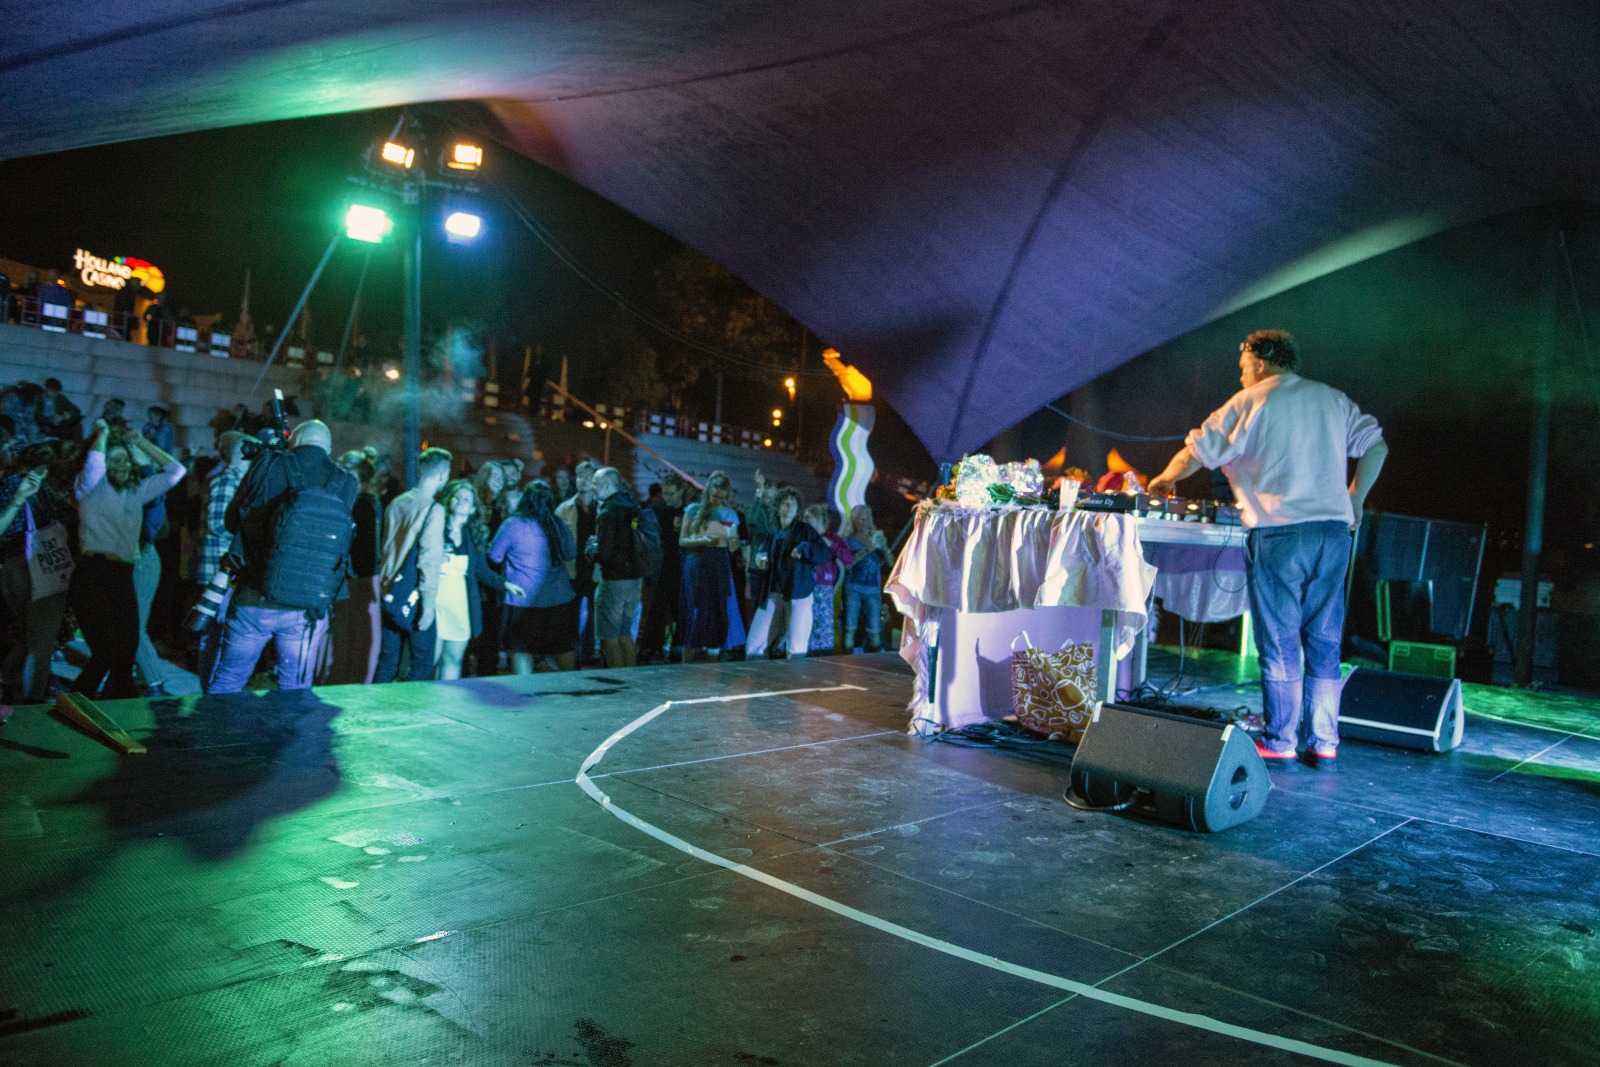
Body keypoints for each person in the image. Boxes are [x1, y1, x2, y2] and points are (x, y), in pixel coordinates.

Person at [1147, 330, 1388, 771]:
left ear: (1261, 360)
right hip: (1334, 533)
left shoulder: (1250, 401)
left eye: (1243, 367)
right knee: (1325, 640)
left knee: (1279, 642)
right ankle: (1325, 740)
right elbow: (1376, 446)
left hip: (1281, 534)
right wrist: (1354, 499)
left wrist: (1163, 480)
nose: (1241, 376)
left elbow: (1197, 450)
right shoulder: (1332, 399)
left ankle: (1280, 739)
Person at [205, 420, 357, 693]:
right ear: (329, 447)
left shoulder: (268, 464)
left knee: (229, 679)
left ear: (293, 441)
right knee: (295, 687)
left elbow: (231, 521)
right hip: (308, 608)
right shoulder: (346, 481)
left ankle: (212, 734)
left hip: (255, 596)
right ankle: (293, 736)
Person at [72, 419, 187, 698]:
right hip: (92, 573)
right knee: (106, 652)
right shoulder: (89, 487)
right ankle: (76, 702)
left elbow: (176, 471)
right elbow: (96, 461)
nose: (122, 465)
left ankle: (116, 712)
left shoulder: (136, 491)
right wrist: (103, 433)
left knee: (125, 652)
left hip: (122, 574)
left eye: (125, 460)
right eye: (115, 460)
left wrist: (141, 443)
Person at [0, 444, 76, 702]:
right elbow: (64, 514)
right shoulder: (36, 486)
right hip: (38, 565)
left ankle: (10, 682)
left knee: (25, 632)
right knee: (40, 642)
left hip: (10, 566)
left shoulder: (7, 483)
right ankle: (32, 699)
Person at [375, 447, 451, 683]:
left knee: (387, 661)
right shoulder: (434, 509)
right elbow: (427, 558)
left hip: (389, 591)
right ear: (443, 475)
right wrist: (428, 605)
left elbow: (389, 547)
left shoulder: (397, 503)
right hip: (415, 595)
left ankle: (374, 711)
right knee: (422, 662)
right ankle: (414, 714)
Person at [432, 478, 521, 680]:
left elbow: (481, 570)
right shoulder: (436, 529)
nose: (463, 501)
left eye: (467, 499)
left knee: (453, 658)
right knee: (431, 659)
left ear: (473, 509)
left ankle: (446, 702)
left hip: (459, 603)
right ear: (449, 501)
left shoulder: (473, 535)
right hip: (436, 602)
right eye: (458, 497)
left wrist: (505, 583)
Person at [490, 480, 578, 673]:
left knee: (522, 649)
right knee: (562, 647)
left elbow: (494, 555)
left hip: (522, 600)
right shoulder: (558, 524)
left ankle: (525, 691)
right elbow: (571, 553)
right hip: (558, 598)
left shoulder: (513, 524)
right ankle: (572, 687)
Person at [320, 449, 384, 685]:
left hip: (351, 577)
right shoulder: (361, 502)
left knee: (345, 640)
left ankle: (340, 684)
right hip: (357, 578)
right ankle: (349, 685)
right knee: (355, 641)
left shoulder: (352, 502)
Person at [744, 489, 832, 659]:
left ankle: (794, 683)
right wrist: (761, 562)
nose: (790, 506)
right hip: (773, 595)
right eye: (786, 503)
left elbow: (825, 554)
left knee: (796, 648)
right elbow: (764, 562)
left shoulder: (805, 530)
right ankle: (757, 682)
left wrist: (805, 549)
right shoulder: (773, 533)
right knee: (755, 645)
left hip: (798, 596)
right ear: (778, 507)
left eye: (794, 503)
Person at [195, 431, 251, 683]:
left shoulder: (233, 480)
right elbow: (217, 524)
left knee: (217, 634)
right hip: (219, 569)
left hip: (224, 568)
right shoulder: (228, 481)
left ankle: (212, 686)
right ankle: (210, 689)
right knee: (215, 635)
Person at [677, 471, 746, 660]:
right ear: (708, 491)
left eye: (722, 497)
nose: (717, 500)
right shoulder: (693, 509)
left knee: (718, 609)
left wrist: (735, 544)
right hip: (698, 561)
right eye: (714, 496)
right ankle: (689, 654)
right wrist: (702, 540)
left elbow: (732, 546)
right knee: (696, 609)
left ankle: (713, 655)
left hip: (720, 562)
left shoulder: (730, 514)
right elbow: (682, 540)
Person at [587, 467, 649, 668]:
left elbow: (604, 554)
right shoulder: (632, 505)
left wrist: (590, 550)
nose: (593, 488)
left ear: (606, 485)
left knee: (609, 637)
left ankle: (619, 681)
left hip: (614, 582)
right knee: (624, 633)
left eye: (595, 484)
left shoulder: (608, 512)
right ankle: (630, 679)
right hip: (635, 580)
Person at [639, 472, 688, 662]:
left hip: (680, 566)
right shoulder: (656, 509)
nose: (667, 497)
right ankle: (652, 647)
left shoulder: (687, 512)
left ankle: (677, 646)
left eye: (671, 493)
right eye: (665, 493)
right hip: (660, 567)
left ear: (681, 491)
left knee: (679, 608)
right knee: (655, 608)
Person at [556, 459, 599, 663]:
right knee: (570, 612)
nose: (584, 481)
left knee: (593, 613)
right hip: (572, 567)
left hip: (595, 568)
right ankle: (570, 652)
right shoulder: (565, 508)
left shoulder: (602, 507)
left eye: (589, 477)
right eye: (581, 477)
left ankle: (588, 652)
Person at [839, 504, 892, 653]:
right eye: (860, 519)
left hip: (873, 590)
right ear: (854, 521)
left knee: (874, 631)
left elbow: (890, 563)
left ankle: (875, 663)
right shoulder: (848, 540)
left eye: (866, 518)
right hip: (853, 588)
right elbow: (847, 563)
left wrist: (885, 547)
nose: (863, 522)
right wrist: (868, 548)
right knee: (850, 628)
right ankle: (846, 663)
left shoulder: (877, 537)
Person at [806, 504, 855, 654]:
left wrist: (832, 545)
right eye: (804, 518)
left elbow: (848, 558)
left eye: (809, 518)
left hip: (823, 586)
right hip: (804, 586)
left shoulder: (832, 538)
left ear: (819, 518)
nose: (805, 521)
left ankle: (823, 654)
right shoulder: (805, 536)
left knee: (823, 623)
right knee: (806, 622)